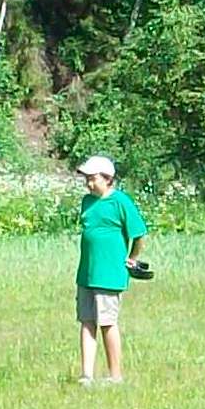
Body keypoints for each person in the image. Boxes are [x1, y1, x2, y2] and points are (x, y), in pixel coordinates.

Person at [74, 154, 147, 385]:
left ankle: (115, 376)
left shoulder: (121, 201)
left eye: (92, 178)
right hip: (86, 273)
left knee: (107, 323)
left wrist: (132, 258)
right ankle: (86, 375)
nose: (88, 183)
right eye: (86, 179)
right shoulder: (87, 201)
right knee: (87, 321)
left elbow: (139, 234)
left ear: (107, 179)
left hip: (110, 274)